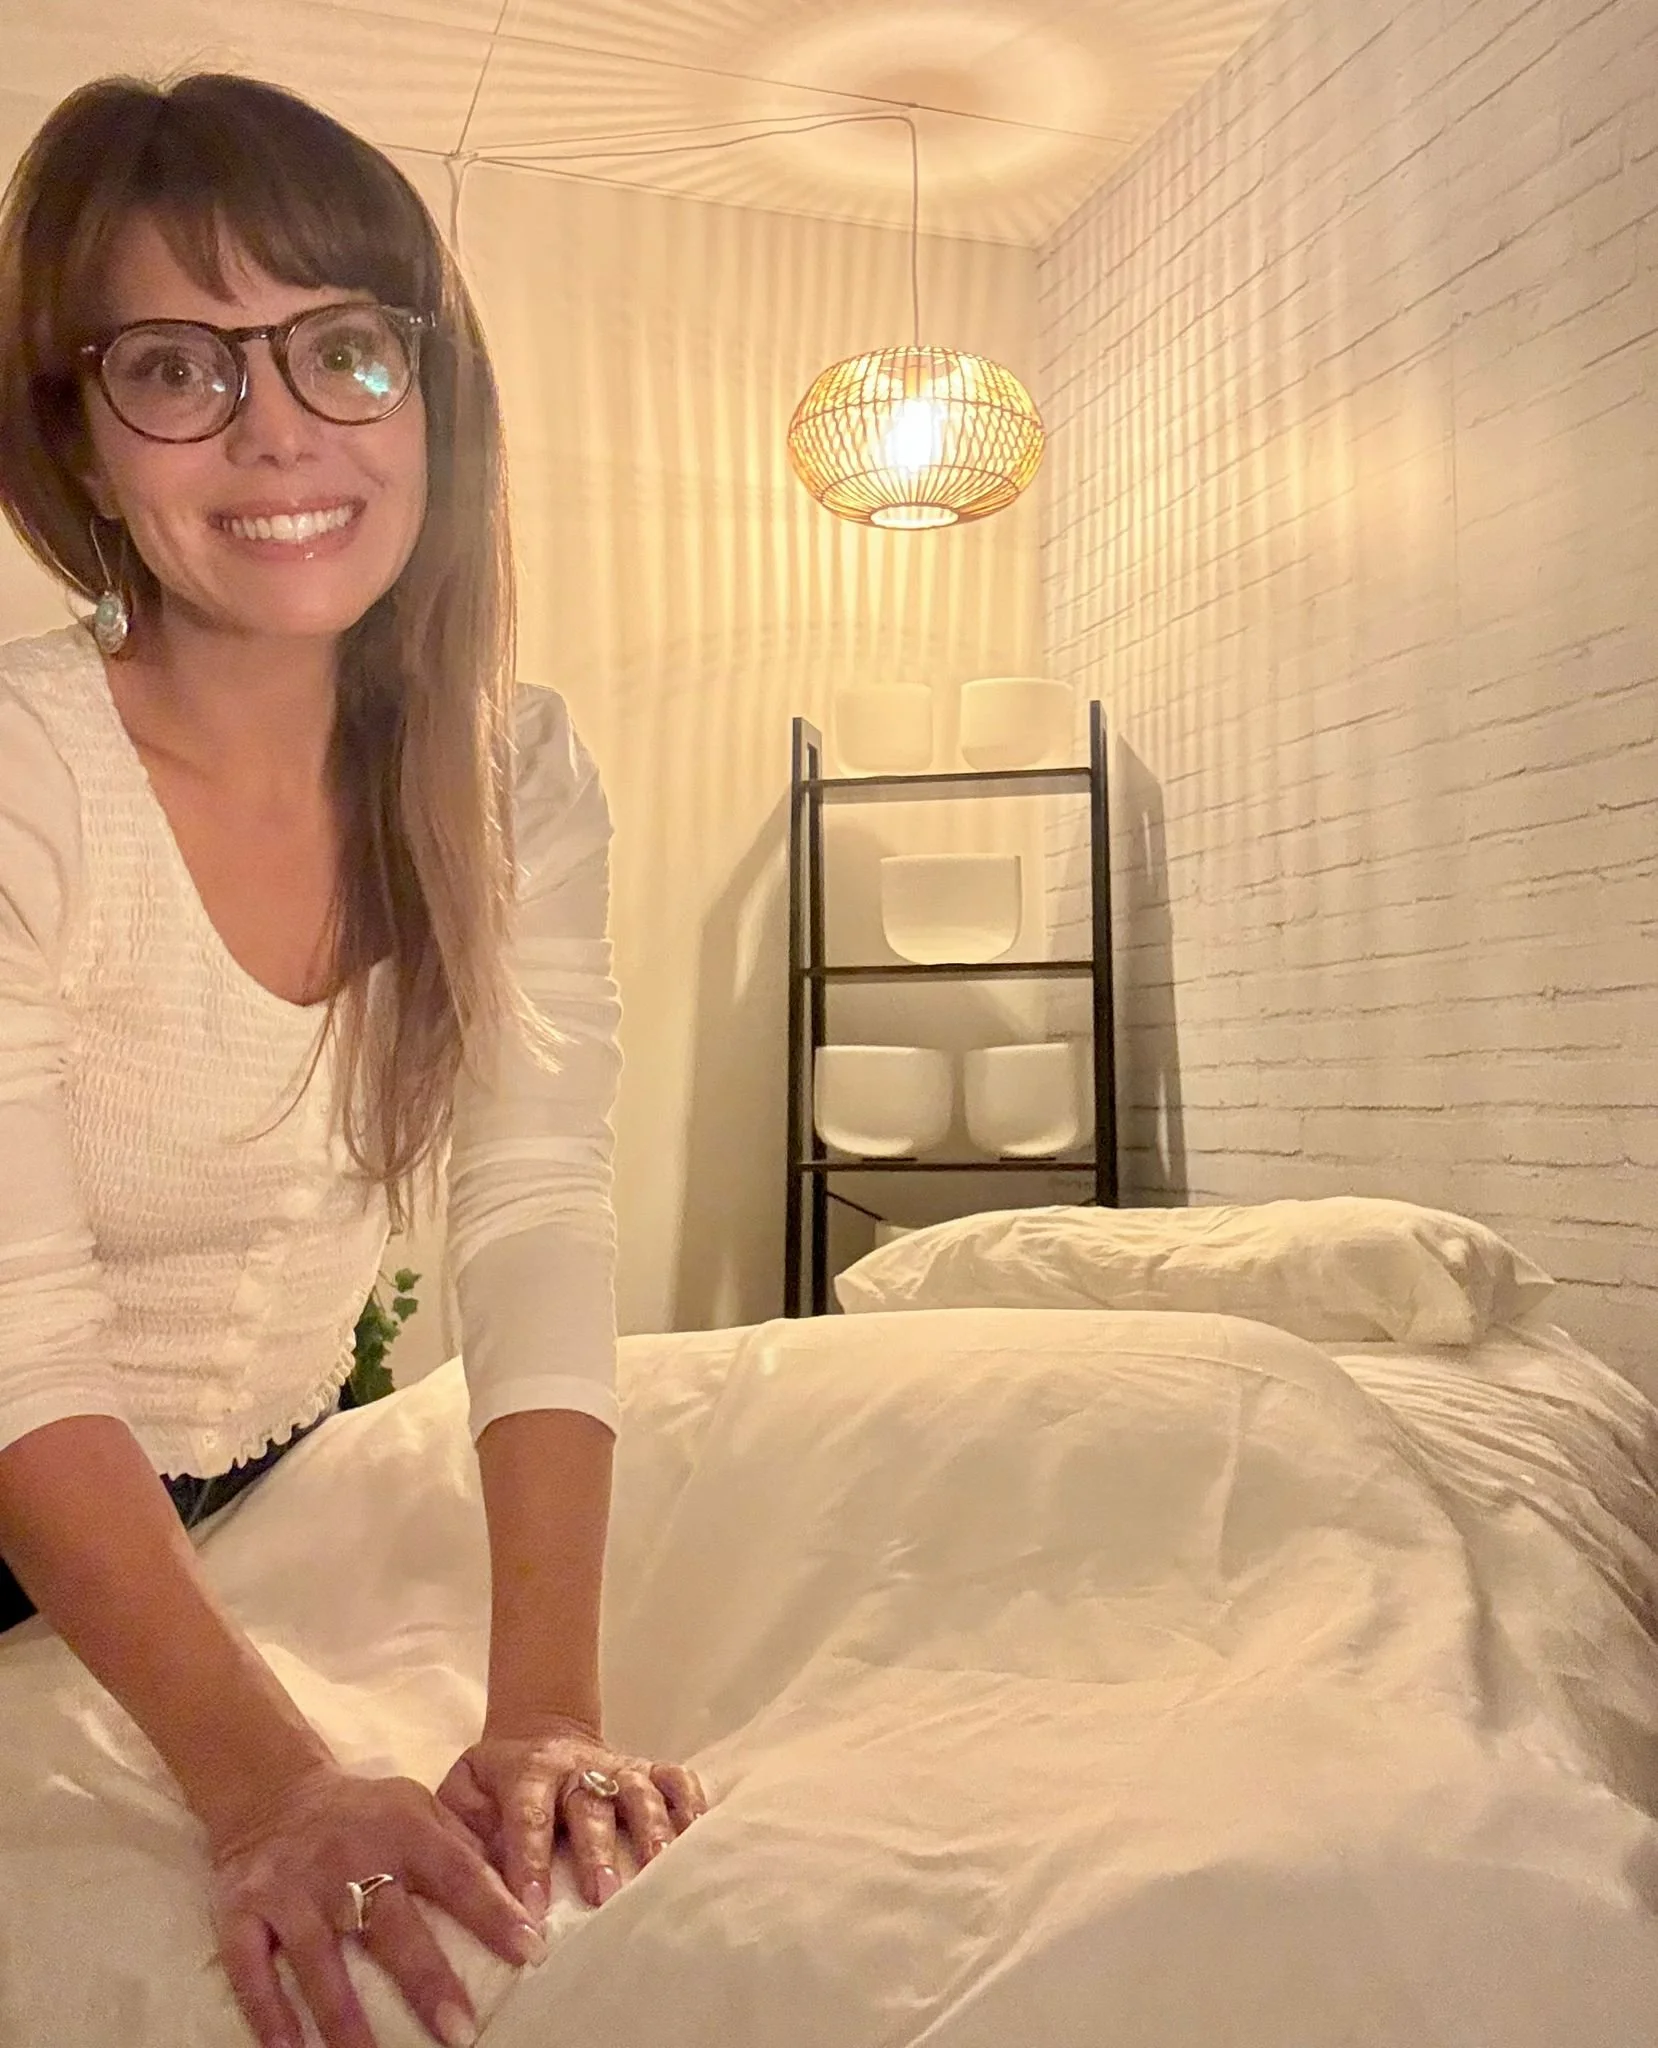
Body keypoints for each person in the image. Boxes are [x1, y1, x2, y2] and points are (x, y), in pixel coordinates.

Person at [0, 72, 705, 2048]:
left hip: (267, 1482)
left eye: (343, 347)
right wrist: (270, 1789)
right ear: (80, 437)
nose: (279, 426)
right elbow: (16, 1335)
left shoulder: (511, 770)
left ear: (427, 391)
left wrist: (547, 1707)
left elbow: (535, 1203)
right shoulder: (23, 777)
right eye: (176, 365)